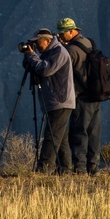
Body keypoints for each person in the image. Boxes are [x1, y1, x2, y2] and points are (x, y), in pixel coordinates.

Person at [21, 28, 75, 173]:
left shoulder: (58, 52)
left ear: (48, 40)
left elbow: (45, 70)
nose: (37, 47)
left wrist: (32, 56)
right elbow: (33, 68)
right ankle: (65, 170)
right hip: (55, 101)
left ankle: (43, 169)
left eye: (38, 43)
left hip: (60, 101)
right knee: (61, 138)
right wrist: (29, 57)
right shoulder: (48, 54)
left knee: (51, 137)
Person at [57, 17, 101, 175]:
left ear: (71, 31)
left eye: (62, 33)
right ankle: (93, 167)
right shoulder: (88, 43)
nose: (60, 37)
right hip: (95, 95)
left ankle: (80, 168)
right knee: (93, 132)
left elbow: (62, 72)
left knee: (78, 132)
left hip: (81, 97)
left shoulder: (70, 51)